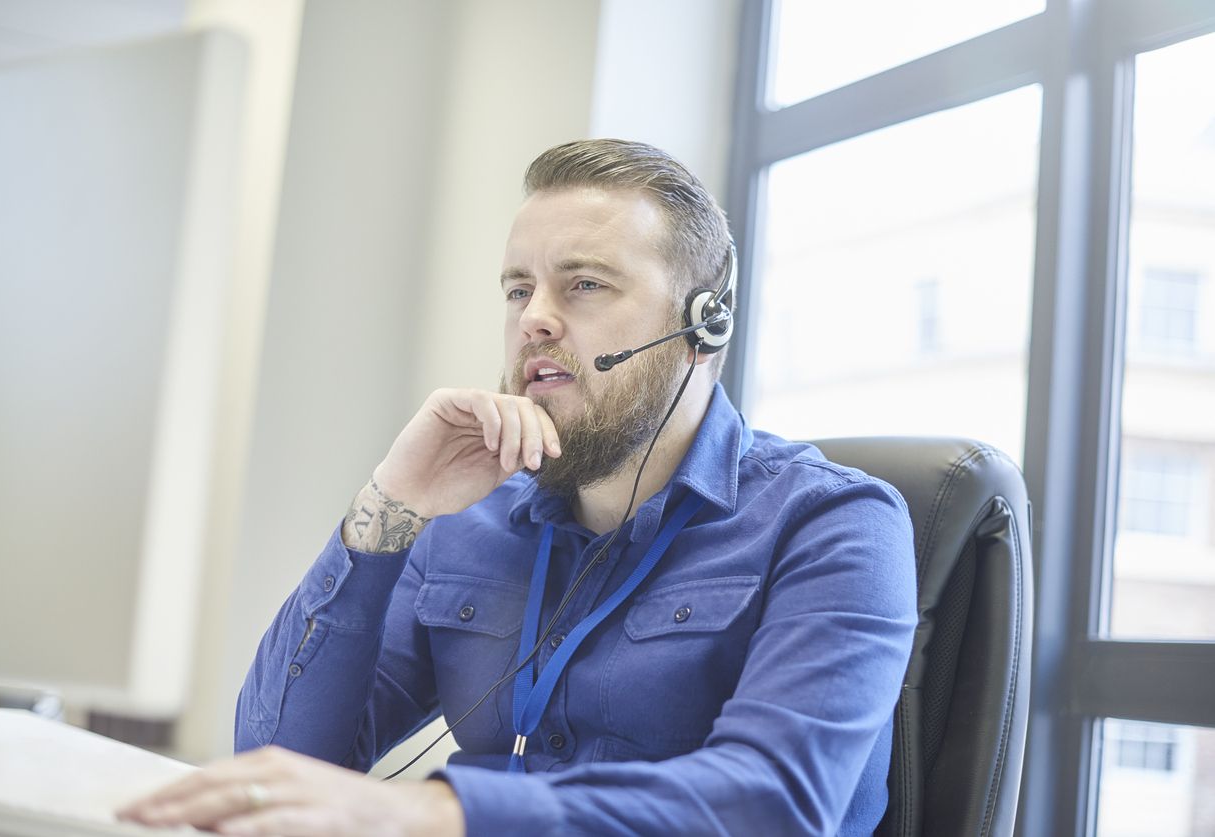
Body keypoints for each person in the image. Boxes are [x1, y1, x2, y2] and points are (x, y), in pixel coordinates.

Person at [118, 139, 917, 836]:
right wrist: (389, 507)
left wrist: (438, 815)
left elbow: (772, 804)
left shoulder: (836, 525)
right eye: (517, 288)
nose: (533, 317)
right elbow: (277, 762)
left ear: (704, 326)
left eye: (585, 285)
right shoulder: (471, 522)